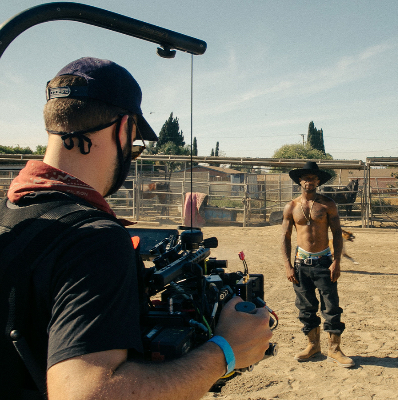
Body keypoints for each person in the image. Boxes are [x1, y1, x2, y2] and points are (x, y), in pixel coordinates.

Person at [0, 57, 273, 399]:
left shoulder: (11, 216)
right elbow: (88, 393)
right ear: (123, 128)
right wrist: (225, 351)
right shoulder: (94, 239)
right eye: (135, 145)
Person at [281, 161, 354, 368]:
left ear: (318, 181)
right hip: (301, 264)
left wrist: (337, 261)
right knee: (306, 307)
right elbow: (285, 236)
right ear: (300, 181)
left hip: (324, 262)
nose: (309, 181)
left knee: (331, 306)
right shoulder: (291, 207)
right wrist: (287, 265)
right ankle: (313, 345)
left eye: (313, 178)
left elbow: (337, 233)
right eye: (306, 178)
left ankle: (334, 349)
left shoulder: (327, 204)